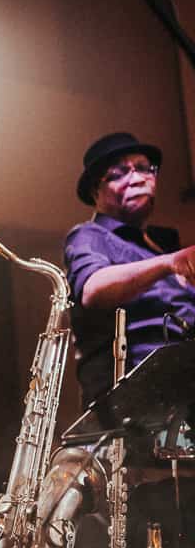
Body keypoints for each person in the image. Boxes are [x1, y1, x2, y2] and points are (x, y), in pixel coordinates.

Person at [64, 132, 195, 407]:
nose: (137, 179)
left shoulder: (160, 245)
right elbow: (93, 289)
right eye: (118, 173)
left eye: (145, 168)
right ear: (94, 192)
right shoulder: (90, 236)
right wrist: (169, 263)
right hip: (139, 410)